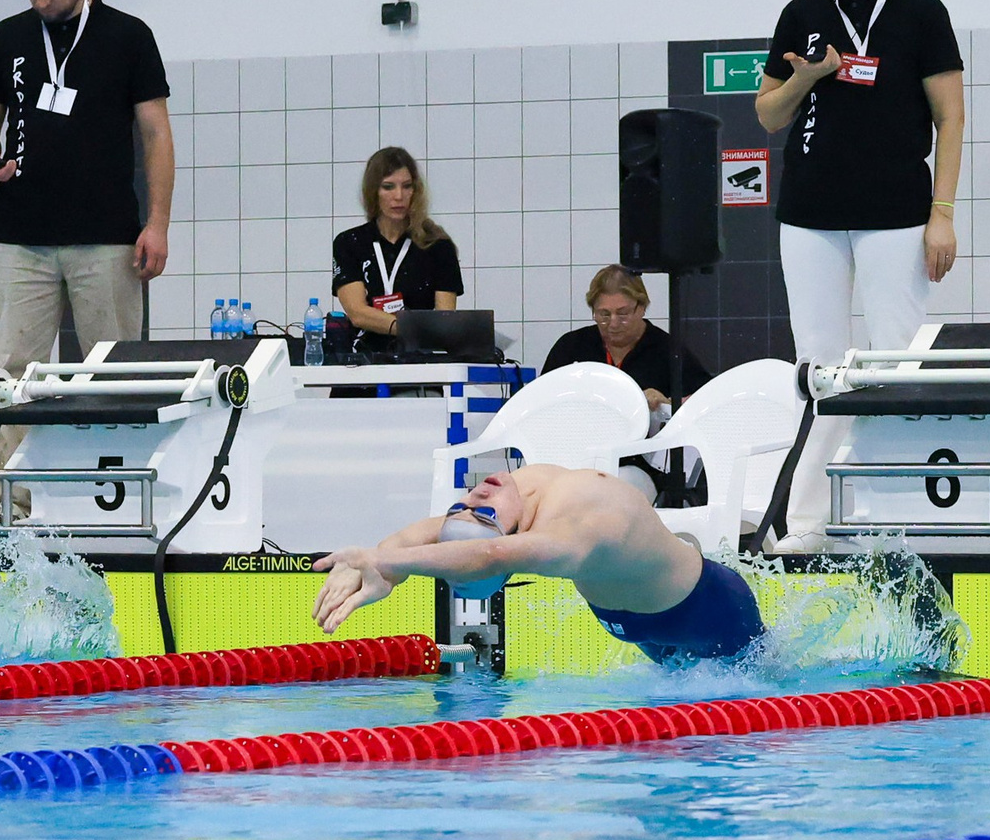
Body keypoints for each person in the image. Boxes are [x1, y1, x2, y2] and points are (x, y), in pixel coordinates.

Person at [0, 0, 173, 468]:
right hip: (20, 238)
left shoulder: (128, 36)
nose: (41, 1)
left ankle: (116, 493)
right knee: (12, 376)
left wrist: (158, 223)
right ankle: (19, 509)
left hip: (106, 239)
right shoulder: (7, 37)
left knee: (116, 373)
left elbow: (157, 134)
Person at [754, 0, 965, 367]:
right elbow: (768, 115)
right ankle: (821, 446)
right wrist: (802, 81)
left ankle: (894, 445)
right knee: (817, 358)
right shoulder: (801, 13)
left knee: (896, 351)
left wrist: (943, 215)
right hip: (811, 212)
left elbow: (951, 119)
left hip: (894, 211)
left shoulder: (922, 13)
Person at [312, 466, 765, 664]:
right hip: (642, 618)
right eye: (481, 515)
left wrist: (377, 561)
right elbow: (485, 553)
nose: (474, 497)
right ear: (513, 542)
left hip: (706, 607)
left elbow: (431, 536)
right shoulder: (556, 535)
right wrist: (385, 562)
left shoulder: (547, 505)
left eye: (461, 507)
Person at [330, 148, 463, 358]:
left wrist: (423, 333)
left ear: (416, 191)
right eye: (388, 187)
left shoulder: (437, 245)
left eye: (407, 186)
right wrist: (416, 330)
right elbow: (357, 313)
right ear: (373, 191)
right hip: (364, 363)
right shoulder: (350, 243)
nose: (399, 196)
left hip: (419, 366)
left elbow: (443, 320)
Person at [540, 266, 709, 422]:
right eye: (604, 315)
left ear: (642, 308)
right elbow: (541, 400)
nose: (613, 324)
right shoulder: (571, 347)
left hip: (643, 451)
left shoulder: (668, 350)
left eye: (623, 314)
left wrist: (667, 404)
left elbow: (705, 401)